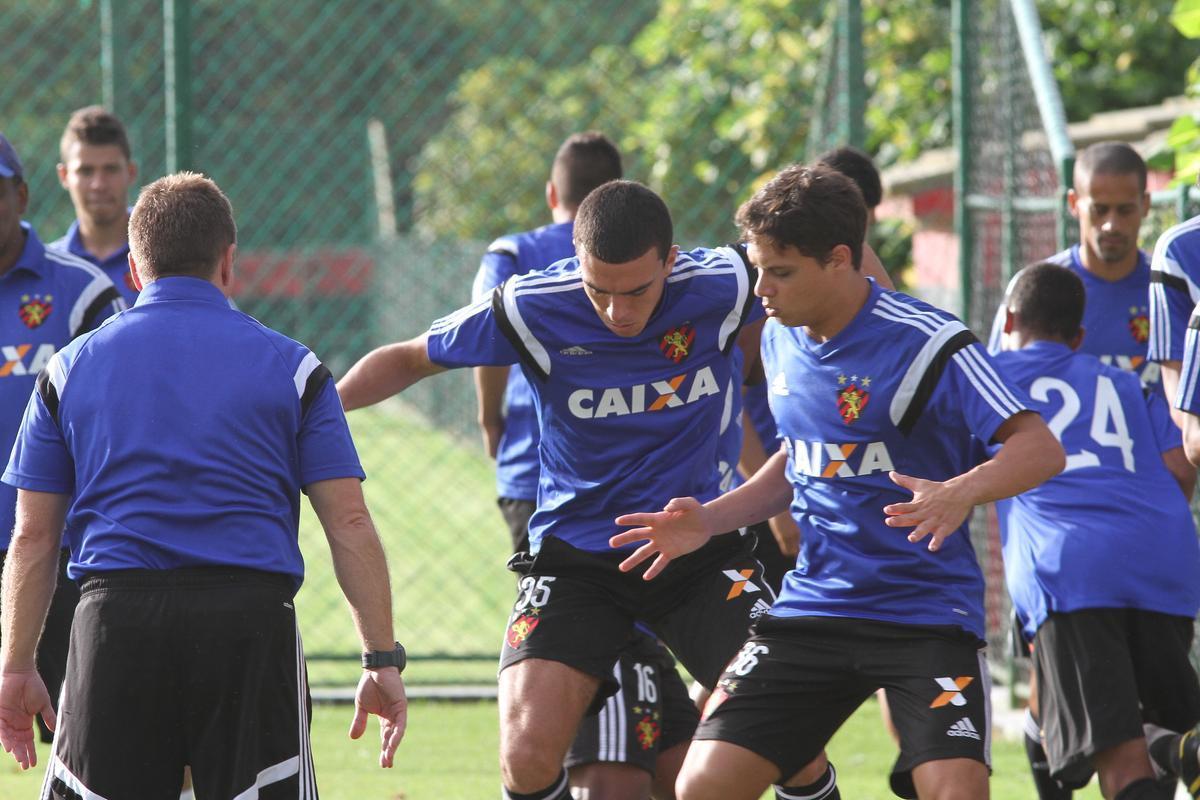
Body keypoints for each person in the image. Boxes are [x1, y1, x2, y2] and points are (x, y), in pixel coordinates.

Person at [337, 179, 840, 800]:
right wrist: (320, 417)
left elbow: (836, 259)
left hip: (697, 549)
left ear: (671, 259)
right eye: (598, 290)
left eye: (637, 291)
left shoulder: (730, 282)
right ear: (576, 265)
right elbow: (410, 357)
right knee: (525, 756)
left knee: (796, 743)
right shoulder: (531, 303)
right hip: (577, 558)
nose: (618, 312)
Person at [611, 164, 1064, 800]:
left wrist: (960, 490)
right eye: (756, 266)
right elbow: (802, 462)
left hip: (924, 612)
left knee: (956, 791)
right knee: (702, 786)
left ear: (840, 260)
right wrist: (708, 520)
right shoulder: (777, 340)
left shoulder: (930, 341)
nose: (760, 287)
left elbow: (1040, 449)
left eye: (781, 270)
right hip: (815, 609)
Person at [0, 172, 407, 798]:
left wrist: (16, 666)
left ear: (133, 270)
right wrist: (380, 659)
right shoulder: (294, 368)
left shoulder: (67, 368)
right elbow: (349, 522)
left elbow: (32, 537)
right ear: (229, 262)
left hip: (116, 627)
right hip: (248, 628)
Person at [473, 132, 698, 799]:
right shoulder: (654, 263)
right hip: (627, 487)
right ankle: (617, 766)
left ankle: (633, 763)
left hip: (532, 475)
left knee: (615, 636)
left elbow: (487, 339)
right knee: (610, 632)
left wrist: (492, 419)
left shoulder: (513, 254)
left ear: (553, 195)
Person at [993, 261, 1200, 800]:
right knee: (1159, 734)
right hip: (1165, 559)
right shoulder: (1125, 383)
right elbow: (1180, 466)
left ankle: (1162, 745)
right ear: (1080, 337)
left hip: (1072, 569)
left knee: (1121, 763)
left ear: (1009, 321)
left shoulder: (987, 379)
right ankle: (1171, 744)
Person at [0, 133, 125, 754]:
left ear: (20, 194)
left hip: (60, 556)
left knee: (82, 744)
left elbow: (127, 415)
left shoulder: (82, 293)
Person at [989, 142, 1156, 391]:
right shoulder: (1037, 288)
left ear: (1145, 205)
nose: (1112, 224)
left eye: (1125, 210)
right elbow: (997, 384)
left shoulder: (1170, 286)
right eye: (1099, 210)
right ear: (1074, 203)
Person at [50, 106, 140, 305]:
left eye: (110, 169)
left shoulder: (164, 258)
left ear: (131, 172)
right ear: (64, 176)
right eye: (86, 171)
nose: (98, 184)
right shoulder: (48, 267)